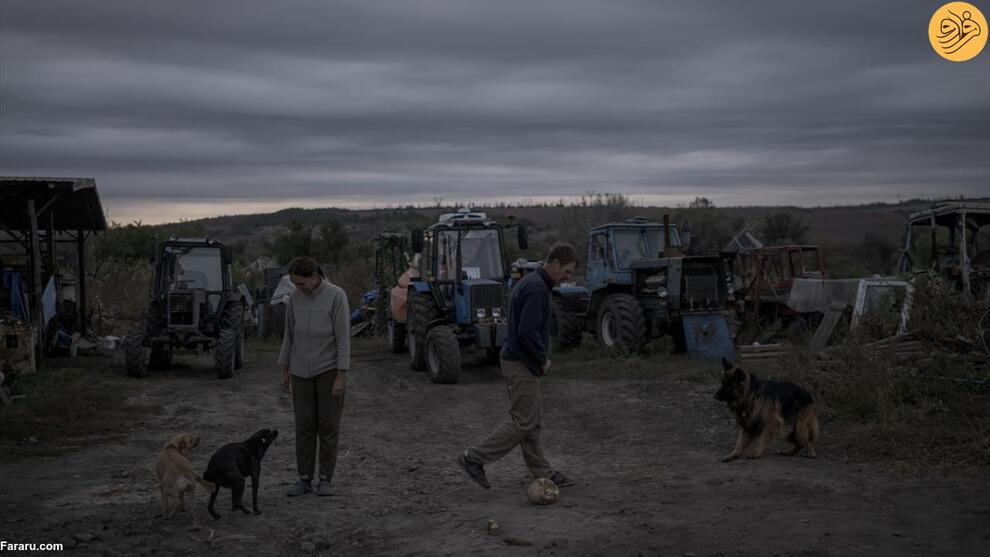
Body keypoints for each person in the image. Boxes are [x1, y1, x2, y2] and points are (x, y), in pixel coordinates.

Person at [456, 243, 580, 489]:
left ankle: (543, 472)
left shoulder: (533, 282)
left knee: (531, 420)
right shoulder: (536, 289)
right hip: (521, 363)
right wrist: (541, 359)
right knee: (523, 421)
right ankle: (473, 458)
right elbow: (526, 332)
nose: (568, 277)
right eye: (567, 271)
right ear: (554, 263)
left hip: (517, 360)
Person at [278, 256, 350, 497]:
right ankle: (304, 478)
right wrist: (285, 369)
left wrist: (341, 376)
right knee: (304, 426)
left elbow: (343, 339)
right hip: (300, 372)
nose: (298, 288)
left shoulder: (336, 296)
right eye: (295, 284)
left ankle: (325, 478)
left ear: (314, 277)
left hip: (328, 371)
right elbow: (289, 336)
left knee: (328, 425)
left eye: (300, 283)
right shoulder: (294, 300)